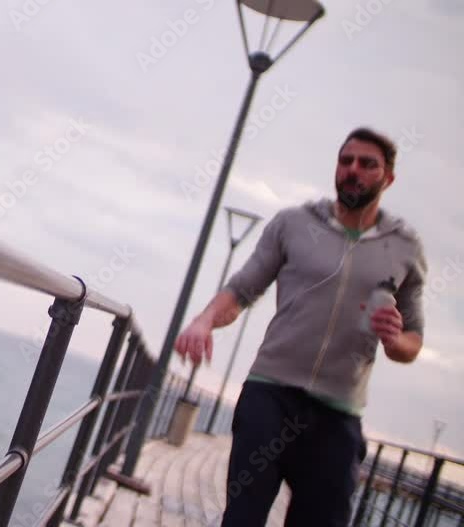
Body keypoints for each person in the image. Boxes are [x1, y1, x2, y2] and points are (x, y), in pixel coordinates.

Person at [174, 127, 427, 526]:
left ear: (388, 177)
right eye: (346, 161)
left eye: (367, 164)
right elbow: (242, 289)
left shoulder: (404, 247)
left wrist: (395, 340)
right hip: (270, 395)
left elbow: (413, 340)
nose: (352, 171)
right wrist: (204, 321)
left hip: (339, 413)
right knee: (242, 517)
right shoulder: (294, 223)